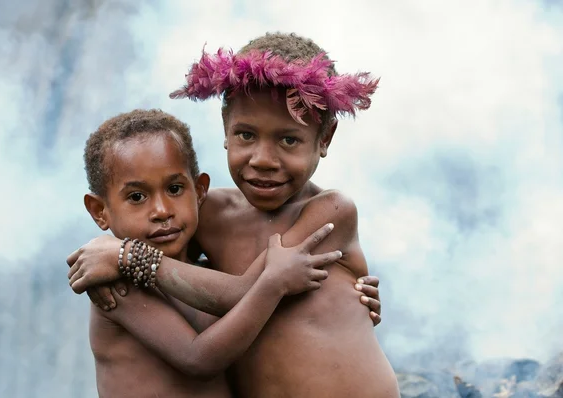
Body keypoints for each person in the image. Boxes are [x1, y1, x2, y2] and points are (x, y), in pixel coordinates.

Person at [69, 32, 399, 397]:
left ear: (325, 139)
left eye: (288, 140)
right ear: (225, 128)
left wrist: (128, 257)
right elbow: (165, 263)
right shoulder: (198, 215)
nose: (262, 159)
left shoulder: (330, 212)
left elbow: (245, 292)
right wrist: (112, 253)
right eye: (245, 135)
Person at [76, 108, 344, 398]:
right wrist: (275, 282)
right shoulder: (117, 284)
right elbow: (198, 358)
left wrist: (346, 294)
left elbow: (239, 303)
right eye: (137, 197)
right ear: (99, 211)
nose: (162, 211)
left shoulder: (207, 271)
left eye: (175, 188)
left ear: (200, 190)